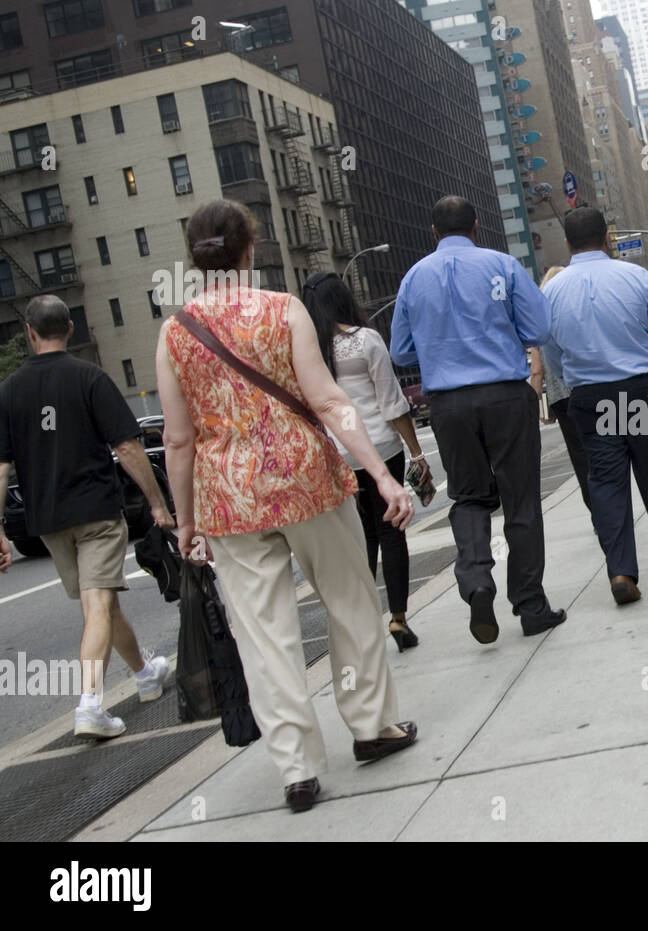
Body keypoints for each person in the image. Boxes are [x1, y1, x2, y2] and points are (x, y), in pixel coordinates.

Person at [156, 199, 417, 813]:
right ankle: (372, 726)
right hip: (307, 477)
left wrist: (186, 521)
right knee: (351, 601)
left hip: (228, 497)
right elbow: (328, 400)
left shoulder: (175, 333)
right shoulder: (284, 310)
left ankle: (297, 771)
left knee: (264, 635)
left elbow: (177, 438)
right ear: (250, 251)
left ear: (195, 259)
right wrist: (380, 473)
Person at [391, 195, 565, 643]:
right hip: (506, 394)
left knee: (468, 497)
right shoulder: (502, 267)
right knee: (521, 499)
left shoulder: (414, 279)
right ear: (476, 227)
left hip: (448, 404)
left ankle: (476, 581)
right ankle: (530, 605)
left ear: (433, 233)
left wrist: (439, 348)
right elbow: (540, 329)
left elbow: (400, 352)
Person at [0, 296, 173, 740]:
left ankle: (145, 671)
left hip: (48, 521)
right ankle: (90, 704)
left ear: (30, 333)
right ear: (70, 330)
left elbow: (0, 467)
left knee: (101, 604)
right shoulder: (90, 377)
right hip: (95, 510)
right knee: (98, 605)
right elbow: (128, 446)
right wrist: (156, 501)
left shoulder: (9, 390)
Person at [541, 207, 648, 606]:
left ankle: (621, 570)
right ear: (607, 238)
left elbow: (552, 354)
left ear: (569, 243)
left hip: (590, 398)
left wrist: (577, 381)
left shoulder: (552, 291)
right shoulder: (636, 277)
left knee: (606, 484)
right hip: (643, 390)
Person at [301, 271, 431, 652]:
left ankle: (362, 625)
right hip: (378, 448)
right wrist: (417, 451)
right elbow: (392, 403)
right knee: (391, 532)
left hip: (334, 457)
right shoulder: (364, 340)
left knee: (358, 541)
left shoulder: (305, 350)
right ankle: (398, 618)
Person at [528, 267, 592, 517]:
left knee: (579, 456)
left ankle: (596, 512)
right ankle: (613, 507)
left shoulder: (538, 322)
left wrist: (538, 408)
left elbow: (536, 370)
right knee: (602, 452)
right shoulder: (577, 312)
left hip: (561, 398)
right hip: (589, 389)